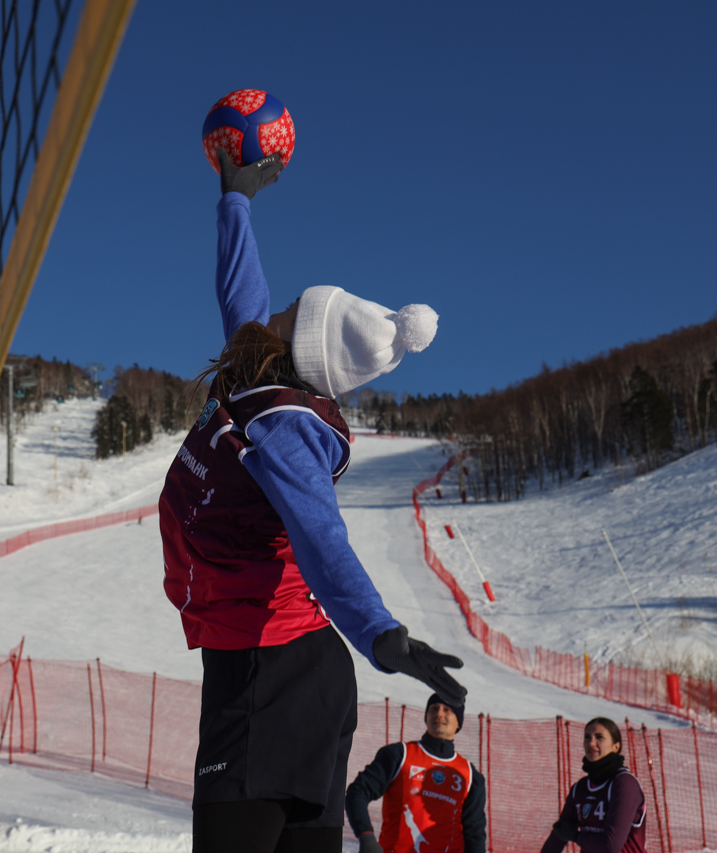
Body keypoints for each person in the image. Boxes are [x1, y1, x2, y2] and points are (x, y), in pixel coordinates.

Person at [160, 148, 466, 853]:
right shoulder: (251, 368)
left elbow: (320, 537)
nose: (281, 306)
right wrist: (235, 201)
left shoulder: (286, 428)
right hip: (276, 661)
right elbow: (241, 287)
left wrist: (380, 631)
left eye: (296, 309)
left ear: (303, 343)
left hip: (275, 669)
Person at [345, 694, 487, 853]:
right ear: (426, 717)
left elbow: (474, 833)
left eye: (447, 710)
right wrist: (366, 837)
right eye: (433, 709)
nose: (439, 714)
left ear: (458, 723)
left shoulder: (469, 775)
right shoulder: (400, 755)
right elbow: (357, 792)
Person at [540, 717, 647, 853]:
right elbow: (559, 834)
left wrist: (575, 836)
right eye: (587, 737)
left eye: (599, 737)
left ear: (616, 746)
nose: (591, 743)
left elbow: (610, 846)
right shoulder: (580, 788)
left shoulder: (624, 784)